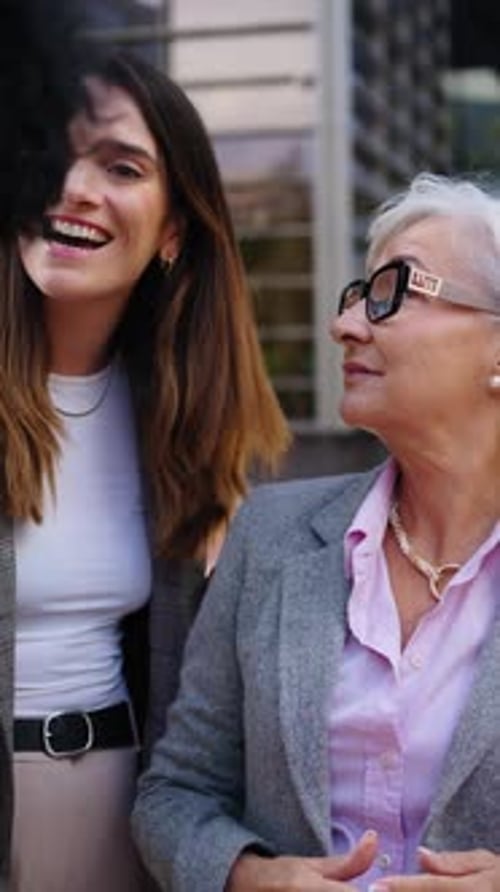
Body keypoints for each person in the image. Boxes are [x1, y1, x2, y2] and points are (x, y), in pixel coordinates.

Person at [132, 173, 500, 892]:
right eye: (356, 295)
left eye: (393, 290)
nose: (347, 324)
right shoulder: (270, 535)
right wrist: (250, 878)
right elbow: (174, 795)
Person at [0, 50, 289, 892]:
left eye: (120, 166)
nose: (72, 186)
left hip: (121, 819)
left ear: (172, 231)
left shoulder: (184, 429)